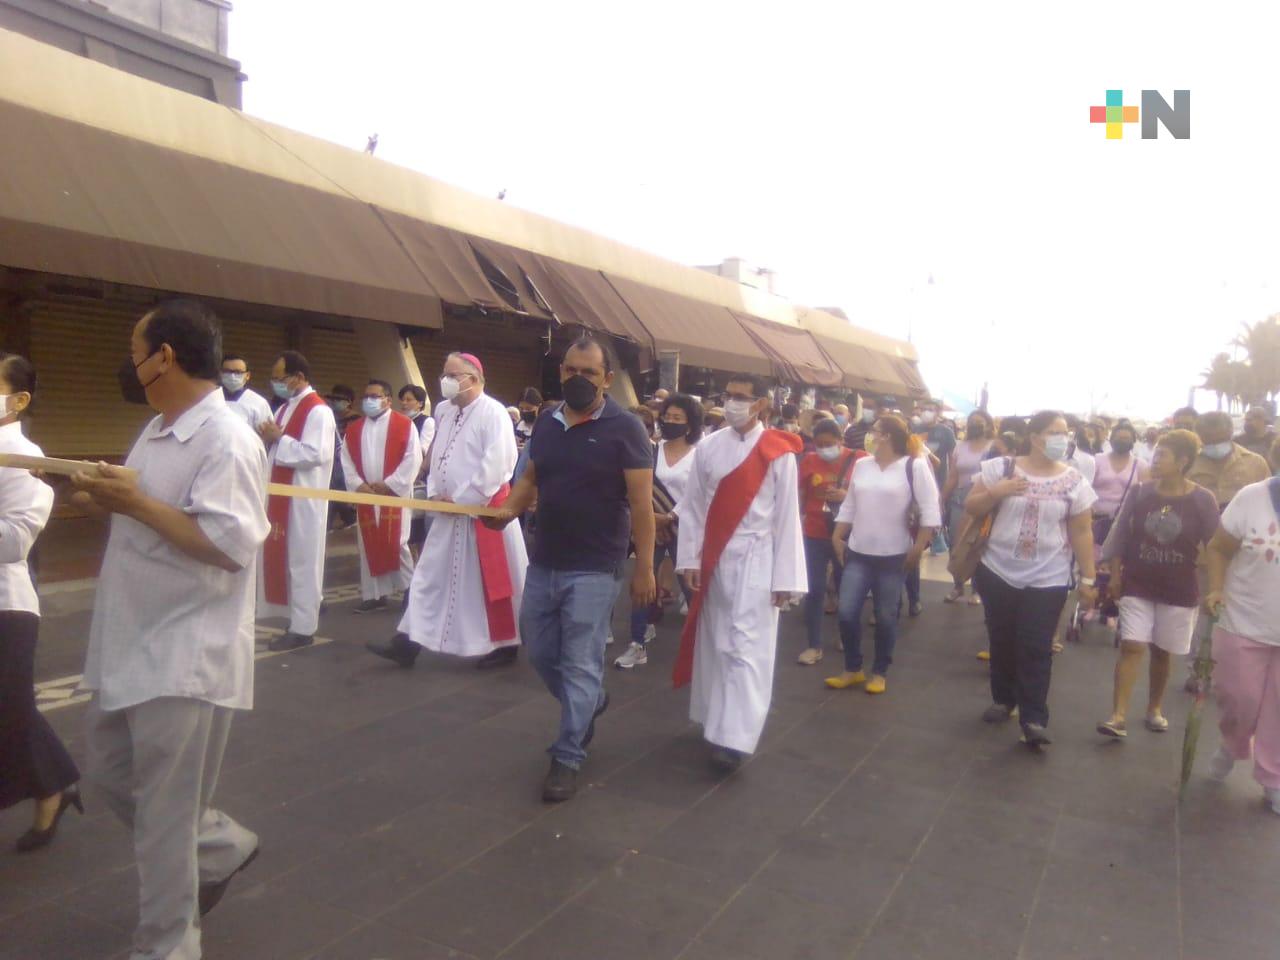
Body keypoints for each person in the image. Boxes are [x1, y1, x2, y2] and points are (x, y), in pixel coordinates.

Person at [79, 300, 268, 959]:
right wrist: (109, 493)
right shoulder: (159, 430)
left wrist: (135, 503)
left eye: (136, 351)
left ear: (164, 357)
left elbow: (227, 544)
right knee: (107, 770)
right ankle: (217, 845)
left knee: (162, 817)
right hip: (131, 636)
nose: (130, 365)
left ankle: (166, 945)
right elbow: (149, 507)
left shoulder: (227, 439)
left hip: (186, 647)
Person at [486, 336, 656, 800]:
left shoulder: (626, 429)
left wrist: (644, 566)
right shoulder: (547, 421)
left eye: (589, 373)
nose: (578, 380)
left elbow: (641, 505)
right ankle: (591, 703)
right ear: (560, 372)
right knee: (542, 654)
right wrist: (506, 514)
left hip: (596, 567)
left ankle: (568, 755)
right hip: (546, 560)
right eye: (571, 371)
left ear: (607, 378)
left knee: (581, 662)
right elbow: (530, 478)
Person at [674, 372, 806, 771]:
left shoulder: (778, 451)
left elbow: (787, 518)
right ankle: (715, 720)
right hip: (715, 556)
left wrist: (786, 579)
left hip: (757, 556)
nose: (732, 402)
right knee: (715, 640)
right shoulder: (709, 447)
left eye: (741, 397)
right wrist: (690, 559)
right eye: (728, 395)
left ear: (761, 404)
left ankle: (736, 738)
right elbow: (694, 507)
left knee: (746, 647)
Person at [368, 353, 526, 671]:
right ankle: (407, 643)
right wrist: (435, 486)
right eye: (444, 374)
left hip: (483, 516)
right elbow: (440, 452)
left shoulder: (493, 413)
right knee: (427, 578)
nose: (447, 380)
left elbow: (499, 464)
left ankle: (506, 644)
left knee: (491, 584)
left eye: (454, 375)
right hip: (445, 512)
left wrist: (465, 499)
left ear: (474, 378)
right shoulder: (443, 410)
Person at [966, 410, 1098, 747]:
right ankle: (1003, 698)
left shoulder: (1074, 481)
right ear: (1035, 436)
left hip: (1049, 574)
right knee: (1002, 637)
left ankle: (1033, 717)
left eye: (1065, 432)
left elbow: (1082, 530)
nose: (1062, 438)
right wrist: (999, 491)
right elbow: (972, 506)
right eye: (1054, 431)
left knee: (1036, 644)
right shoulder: (1001, 468)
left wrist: (1088, 578)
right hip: (998, 568)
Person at [0, 354, 80, 852]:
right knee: (12, 707)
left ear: (20, 399)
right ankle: (57, 782)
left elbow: (16, 539)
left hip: (6, 606)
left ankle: (52, 786)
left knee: (10, 708)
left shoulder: (24, 457)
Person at [1096, 430, 1217, 739]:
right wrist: (1115, 575)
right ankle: (1118, 715)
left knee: (1163, 652)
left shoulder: (1203, 499)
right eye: (1156, 454)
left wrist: (1216, 586)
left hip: (1179, 590)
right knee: (1132, 645)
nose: (1155, 460)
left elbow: (1216, 547)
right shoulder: (1140, 493)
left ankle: (1154, 708)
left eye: (1162, 455)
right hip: (1138, 583)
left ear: (1183, 461)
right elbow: (1120, 535)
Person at [825, 414, 940, 694]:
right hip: (858, 551)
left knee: (886, 616)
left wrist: (918, 547)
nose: (869, 435)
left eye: (874, 431)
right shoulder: (863, 465)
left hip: (894, 555)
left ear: (887, 436)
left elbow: (930, 510)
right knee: (847, 612)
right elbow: (851, 503)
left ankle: (880, 671)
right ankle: (853, 668)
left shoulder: (914, 466)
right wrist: (837, 534)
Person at [1204, 477, 1280, 815]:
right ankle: (1232, 742)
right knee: (1240, 699)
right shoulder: (1253, 497)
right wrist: (1216, 588)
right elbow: (1219, 547)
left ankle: (1273, 779)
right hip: (1243, 620)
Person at [256, 351, 337, 651]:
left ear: (299, 377)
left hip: (304, 501)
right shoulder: (286, 408)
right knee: (287, 560)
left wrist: (279, 439)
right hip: (281, 497)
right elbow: (278, 447)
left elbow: (317, 454)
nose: (277, 384)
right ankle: (296, 616)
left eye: (281, 378)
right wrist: (268, 440)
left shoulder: (318, 411)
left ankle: (303, 628)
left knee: (303, 562)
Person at [615, 393, 702, 670]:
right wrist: (653, 517)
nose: (670, 422)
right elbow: (637, 486)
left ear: (690, 424)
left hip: (683, 528)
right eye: (667, 417)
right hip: (651, 526)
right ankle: (637, 642)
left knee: (690, 587)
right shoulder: (651, 450)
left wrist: (671, 515)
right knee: (643, 581)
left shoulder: (700, 454)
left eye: (678, 418)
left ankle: (700, 644)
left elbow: (698, 493)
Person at [341, 380, 423, 613]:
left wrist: (390, 484)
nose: (369, 400)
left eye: (375, 396)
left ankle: (411, 591)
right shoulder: (354, 428)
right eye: (366, 396)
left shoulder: (404, 425)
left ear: (388, 399)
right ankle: (374, 595)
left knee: (396, 543)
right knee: (368, 544)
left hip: (393, 495)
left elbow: (413, 458)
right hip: (367, 495)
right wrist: (358, 485)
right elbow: (346, 460)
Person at [797, 419, 861, 664]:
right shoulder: (809, 461)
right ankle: (813, 644)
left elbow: (867, 491)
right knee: (814, 589)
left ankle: (846, 634)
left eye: (829, 444)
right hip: (814, 531)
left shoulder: (859, 459)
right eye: (819, 444)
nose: (824, 448)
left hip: (844, 533)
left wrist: (847, 495)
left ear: (840, 440)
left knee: (847, 586)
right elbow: (801, 494)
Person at [941, 410, 995, 604]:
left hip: (985, 501)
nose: (976, 425)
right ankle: (957, 585)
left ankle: (977, 589)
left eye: (980, 422)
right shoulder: (960, 447)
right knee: (958, 542)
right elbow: (953, 476)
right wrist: (942, 498)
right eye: (972, 422)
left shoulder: (993, 447)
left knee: (980, 544)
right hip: (959, 500)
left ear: (988, 425)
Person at [398, 384, 435, 559]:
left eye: (409, 400)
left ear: (420, 403)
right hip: (399, 478)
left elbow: (423, 450)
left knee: (417, 527)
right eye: (402, 400)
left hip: (418, 479)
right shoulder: (399, 421)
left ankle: (419, 563)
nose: (404, 403)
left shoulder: (426, 422)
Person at [218, 353, 272, 432]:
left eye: (238, 372)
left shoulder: (259, 403)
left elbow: (266, 436)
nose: (232, 376)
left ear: (247, 375)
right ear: (220, 373)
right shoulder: (211, 398)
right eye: (227, 371)